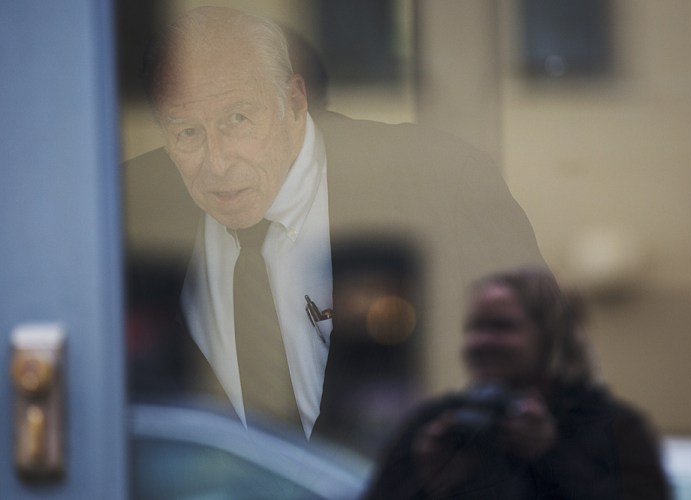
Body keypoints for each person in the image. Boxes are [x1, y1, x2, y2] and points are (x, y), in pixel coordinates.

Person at [123, 6, 546, 447]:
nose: (217, 162)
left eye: (238, 119)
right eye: (187, 132)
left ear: (294, 103)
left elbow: (540, 376)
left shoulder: (443, 181)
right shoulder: (124, 204)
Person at [364, 268, 671, 499]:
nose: (479, 342)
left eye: (501, 326)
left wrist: (550, 455)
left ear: (554, 337)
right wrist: (431, 481)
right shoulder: (435, 424)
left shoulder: (614, 428)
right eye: (474, 327)